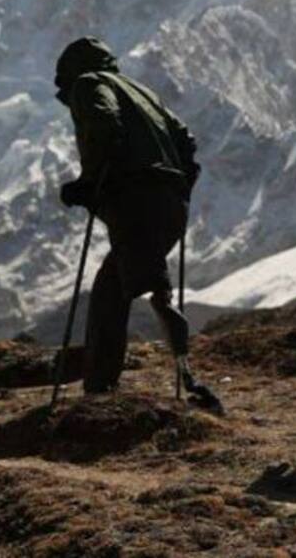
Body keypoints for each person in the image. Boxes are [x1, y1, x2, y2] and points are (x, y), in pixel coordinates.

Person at [55, 36, 219, 410]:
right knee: (130, 282)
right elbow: (187, 143)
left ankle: (105, 390)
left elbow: (104, 123)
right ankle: (171, 373)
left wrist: (89, 182)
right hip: (170, 203)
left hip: (136, 202)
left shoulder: (89, 84)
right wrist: (179, 186)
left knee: (116, 293)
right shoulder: (143, 92)